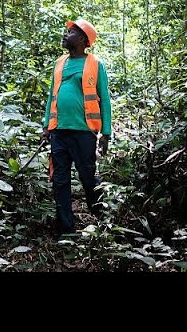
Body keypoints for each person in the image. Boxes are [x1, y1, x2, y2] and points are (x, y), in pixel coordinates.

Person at [41, 18, 112, 237]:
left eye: (70, 32)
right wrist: (46, 127)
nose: (65, 34)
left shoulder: (95, 64)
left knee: (88, 178)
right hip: (59, 132)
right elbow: (52, 95)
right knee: (60, 181)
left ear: (82, 39)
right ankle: (66, 230)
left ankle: (103, 219)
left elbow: (105, 100)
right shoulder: (60, 63)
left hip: (84, 133)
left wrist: (105, 133)